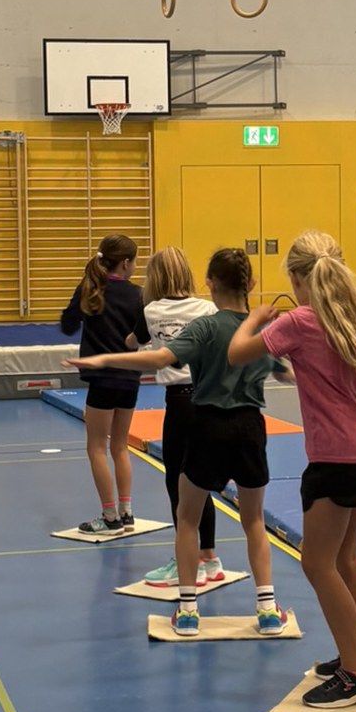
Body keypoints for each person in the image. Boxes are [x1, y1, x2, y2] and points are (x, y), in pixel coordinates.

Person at [228, 232, 356, 709]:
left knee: (317, 563)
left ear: (296, 279)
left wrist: (253, 320)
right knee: (346, 558)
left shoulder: (300, 321)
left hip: (335, 459)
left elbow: (236, 354)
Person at [70, 248, 286, 637]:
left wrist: (103, 360)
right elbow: (285, 372)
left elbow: (158, 360)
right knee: (254, 521)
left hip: (208, 426)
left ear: (210, 283)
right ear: (251, 284)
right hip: (251, 428)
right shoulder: (260, 332)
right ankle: (268, 609)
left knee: (187, 518)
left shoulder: (205, 327)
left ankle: (187, 611)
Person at [136, 247, 226, 592]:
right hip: (208, 400)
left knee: (177, 479)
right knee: (200, 480)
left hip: (179, 402)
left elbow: (133, 341)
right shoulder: (207, 308)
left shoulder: (151, 310)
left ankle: (186, 558)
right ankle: (209, 557)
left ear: (155, 278)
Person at [60, 234, 145, 534]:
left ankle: (110, 517)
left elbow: (67, 325)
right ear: (126, 263)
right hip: (130, 379)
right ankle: (126, 511)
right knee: (120, 446)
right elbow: (143, 335)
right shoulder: (138, 295)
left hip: (102, 380)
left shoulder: (90, 289)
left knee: (96, 447)